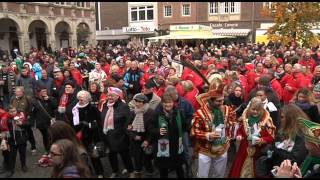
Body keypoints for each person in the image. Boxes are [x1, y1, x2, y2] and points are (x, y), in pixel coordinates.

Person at [191, 78, 236, 178]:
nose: (222, 104)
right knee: (203, 175)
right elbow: (195, 130)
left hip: (223, 148)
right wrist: (207, 135)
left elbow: (232, 123)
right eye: (218, 101)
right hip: (205, 149)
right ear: (210, 101)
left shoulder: (227, 109)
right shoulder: (200, 113)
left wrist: (232, 126)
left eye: (223, 100)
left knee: (219, 174)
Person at [255, 104, 309, 177]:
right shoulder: (283, 131)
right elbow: (276, 145)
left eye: (282, 117)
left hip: (290, 173)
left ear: (290, 118)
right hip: (276, 170)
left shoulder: (301, 135)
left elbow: (296, 158)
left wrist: (275, 150)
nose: (280, 120)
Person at [229, 97, 275, 178]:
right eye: (253, 109)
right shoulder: (245, 117)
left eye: (258, 110)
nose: (255, 112)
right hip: (243, 149)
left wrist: (262, 140)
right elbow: (240, 129)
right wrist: (239, 135)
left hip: (258, 152)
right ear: (249, 108)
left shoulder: (266, 120)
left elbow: (271, 137)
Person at [149, 92, 186, 178]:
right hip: (163, 148)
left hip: (176, 147)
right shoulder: (156, 114)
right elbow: (150, 129)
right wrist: (158, 131)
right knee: (163, 170)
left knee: (179, 169)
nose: (168, 104)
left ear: (173, 103)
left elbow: (184, 126)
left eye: (170, 102)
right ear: (162, 103)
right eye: (165, 103)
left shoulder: (179, 113)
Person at [100, 87, 134, 178]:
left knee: (125, 155)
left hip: (120, 135)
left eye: (112, 95)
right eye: (108, 95)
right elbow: (102, 118)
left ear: (118, 96)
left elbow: (128, 121)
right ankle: (115, 170)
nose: (109, 97)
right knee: (111, 155)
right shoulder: (105, 105)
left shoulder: (124, 106)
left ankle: (131, 171)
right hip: (108, 135)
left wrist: (125, 133)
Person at [71, 90, 104, 178]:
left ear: (87, 99)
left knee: (94, 156)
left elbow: (99, 122)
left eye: (82, 98)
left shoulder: (92, 108)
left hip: (92, 136)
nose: (80, 100)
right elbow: (72, 122)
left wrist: (88, 124)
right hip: (79, 137)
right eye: (79, 98)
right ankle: (87, 171)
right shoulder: (75, 108)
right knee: (82, 156)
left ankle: (100, 172)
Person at [127, 93, 155, 178]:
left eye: (139, 102)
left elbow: (153, 129)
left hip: (147, 139)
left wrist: (147, 141)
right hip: (135, 140)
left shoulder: (150, 112)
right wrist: (133, 136)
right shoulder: (132, 113)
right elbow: (127, 127)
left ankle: (150, 173)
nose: (137, 103)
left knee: (147, 159)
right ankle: (138, 173)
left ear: (144, 102)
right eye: (135, 101)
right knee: (137, 158)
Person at [31, 87, 57, 155]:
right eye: (43, 91)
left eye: (45, 91)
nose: (44, 93)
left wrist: (49, 99)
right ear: (39, 92)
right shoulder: (35, 100)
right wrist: (34, 122)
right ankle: (47, 150)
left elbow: (55, 106)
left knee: (49, 135)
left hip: (49, 122)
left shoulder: (50, 98)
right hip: (41, 122)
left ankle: (51, 150)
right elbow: (32, 112)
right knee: (45, 136)